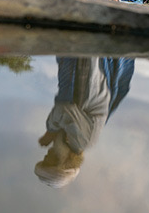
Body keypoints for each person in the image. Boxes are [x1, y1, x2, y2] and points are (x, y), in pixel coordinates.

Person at [35, 57, 134, 188]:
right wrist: (51, 130)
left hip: (85, 76)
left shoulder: (71, 140)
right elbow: (63, 109)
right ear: (65, 163)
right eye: (51, 160)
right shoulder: (83, 142)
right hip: (90, 72)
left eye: (45, 159)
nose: (48, 154)